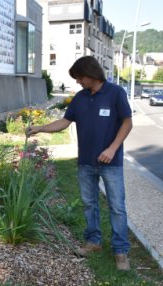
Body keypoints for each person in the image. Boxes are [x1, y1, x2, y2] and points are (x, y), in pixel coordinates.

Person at [25, 56, 133, 271]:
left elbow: (127, 123)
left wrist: (112, 149)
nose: (77, 82)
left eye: (79, 77)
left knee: (117, 207)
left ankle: (120, 250)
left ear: (91, 75)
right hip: (85, 161)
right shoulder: (80, 98)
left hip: (111, 162)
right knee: (89, 204)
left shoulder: (115, 93)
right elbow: (65, 121)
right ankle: (93, 242)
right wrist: (40, 128)